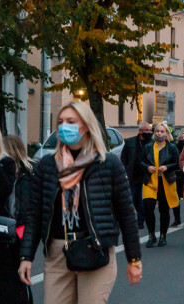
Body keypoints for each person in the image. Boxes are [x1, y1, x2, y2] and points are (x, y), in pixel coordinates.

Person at [18, 101, 142, 303]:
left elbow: (126, 213)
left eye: (70, 121)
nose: (64, 126)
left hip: (95, 249)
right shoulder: (47, 166)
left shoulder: (107, 163)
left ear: (85, 125)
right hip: (57, 253)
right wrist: (26, 257)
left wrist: (134, 259)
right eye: (61, 121)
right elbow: (34, 214)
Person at [0, 133, 33, 304]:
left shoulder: (26, 176)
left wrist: (21, 236)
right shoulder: (7, 175)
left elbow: (27, 211)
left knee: (17, 283)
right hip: (8, 234)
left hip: (17, 235)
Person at [141, 122, 180, 248]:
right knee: (148, 209)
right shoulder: (148, 147)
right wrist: (147, 167)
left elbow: (178, 163)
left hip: (166, 182)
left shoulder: (172, 147)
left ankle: (163, 236)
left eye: (162, 131)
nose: (159, 133)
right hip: (150, 182)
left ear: (167, 134)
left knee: (164, 210)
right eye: (157, 131)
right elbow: (140, 162)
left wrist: (166, 167)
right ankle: (151, 235)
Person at [121, 122, 153, 230]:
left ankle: (140, 221)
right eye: (146, 130)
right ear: (140, 131)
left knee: (142, 201)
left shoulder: (152, 143)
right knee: (132, 199)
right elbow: (124, 157)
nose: (149, 132)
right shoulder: (130, 142)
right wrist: (125, 170)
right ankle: (133, 219)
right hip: (132, 176)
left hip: (146, 177)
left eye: (150, 130)